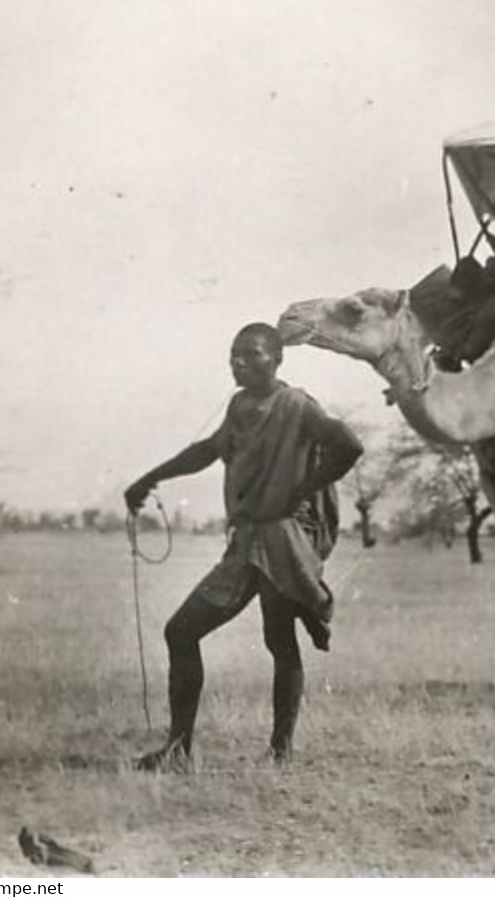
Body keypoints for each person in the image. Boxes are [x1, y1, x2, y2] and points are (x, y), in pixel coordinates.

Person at [124, 322, 363, 771]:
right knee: (182, 631)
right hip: (247, 540)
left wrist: (300, 490)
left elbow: (349, 445)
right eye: (234, 354)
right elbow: (208, 450)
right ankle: (178, 751)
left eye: (250, 354)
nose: (238, 362)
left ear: (276, 359)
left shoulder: (297, 405)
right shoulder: (239, 407)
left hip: (284, 540)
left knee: (279, 639)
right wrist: (148, 478)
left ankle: (280, 751)